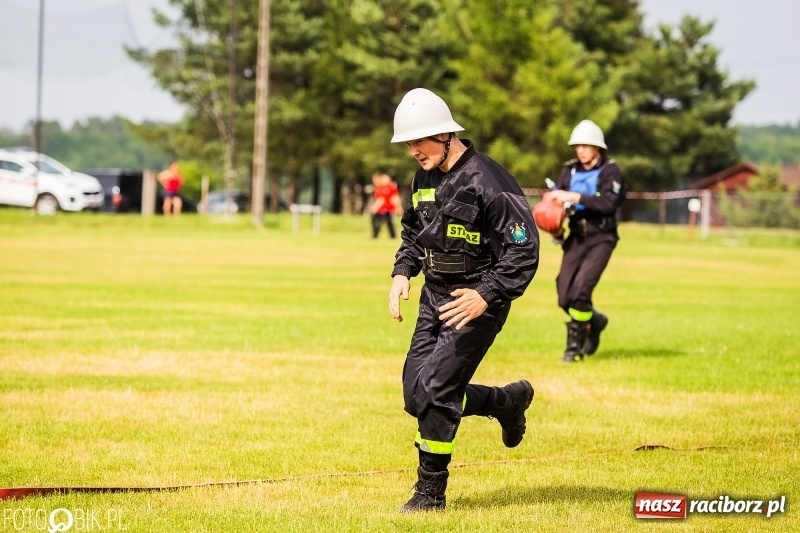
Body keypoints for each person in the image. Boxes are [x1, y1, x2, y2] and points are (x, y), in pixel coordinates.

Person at [388, 88, 540, 513]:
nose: (413, 151)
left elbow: (523, 250)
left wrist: (486, 295)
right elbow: (414, 233)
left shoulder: (490, 182)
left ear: (444, 134)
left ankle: (430, 494)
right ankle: (505, 402)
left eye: (419, 141)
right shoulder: (423, 178)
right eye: (408, 143)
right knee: (415, 397)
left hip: (476, 300)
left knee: (436, 390)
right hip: (433, 295)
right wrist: (403, 271)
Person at [543, 120, 626, 363]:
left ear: (597, 148)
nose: (580, 150)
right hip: (575, 237)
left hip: (602, 237)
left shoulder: (611, 170)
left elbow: (609, 203)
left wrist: (573, 196)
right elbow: (560, 207)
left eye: (586, 145)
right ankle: (595, 320)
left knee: (580, 292)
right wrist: (555, 227)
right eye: (577, 145)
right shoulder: (568, 171)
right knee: (564, 295)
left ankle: (574, 349)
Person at [370, 172, 401, 238]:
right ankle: (375, 235)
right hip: (381, 209)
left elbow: (393, 198)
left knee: (386, 223)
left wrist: (398, 207)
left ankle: (392, 236)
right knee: (384, 223)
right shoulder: (379, 188)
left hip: (386, 209)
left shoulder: (390, 187)